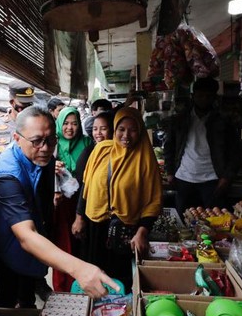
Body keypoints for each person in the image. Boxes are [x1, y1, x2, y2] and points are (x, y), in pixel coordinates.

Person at [0, 105, 118, 309]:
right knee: (7, 301)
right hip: (8, 242)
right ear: (17, 138)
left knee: (27, 293)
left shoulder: (43, 159)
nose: (45, 148)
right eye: (36, 141)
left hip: (35, 235)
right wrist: (78, 268)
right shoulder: (7, 176)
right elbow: (26, 236)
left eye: (50, 140)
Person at [72, 107, 162, 290]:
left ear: (140, 131)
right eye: (121, 129)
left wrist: (142, 232)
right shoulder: (101, 150)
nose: (126, 135)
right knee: (94, 276)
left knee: (120, 281)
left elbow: (153, 200)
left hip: (125, 229)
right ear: (115, 130)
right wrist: (79, 217)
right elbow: (86, 185)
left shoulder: (145, 158)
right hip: (95, 226)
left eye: (133, 129)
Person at [163, 77, 241, 215]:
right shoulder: (180, 120)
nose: (204, 99)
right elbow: (169, 147)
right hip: (183, 178)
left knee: (215, 221)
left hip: (212, 180)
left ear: (214, 97)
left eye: (208, 96)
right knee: (182, 221)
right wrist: (169, 172)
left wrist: (226, 177)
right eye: (200, 95)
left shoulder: (223, 121)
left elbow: (235, 152)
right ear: (193, 96)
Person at [51, 106, 92, 292]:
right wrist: (52, 166)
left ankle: (84, 284)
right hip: (61, 205)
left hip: (84, 202)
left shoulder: (87, 143)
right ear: (59, 124)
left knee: (83, 243)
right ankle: (63, 287)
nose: (70, 127)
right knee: (62, 244)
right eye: (65, 123)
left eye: (74, 123)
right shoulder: (53, 144)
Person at [0, 80, 36, 193]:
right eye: (22, 106)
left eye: (29, 105)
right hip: (3, 189)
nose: (26, 110)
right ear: (12, 102)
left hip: (31, 188)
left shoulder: (37, 124)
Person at [72, 112, 113, 262]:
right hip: (92, 214)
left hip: (112, 216)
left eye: (103, 129)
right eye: (95, 129)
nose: (98, 133)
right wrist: (79, 216)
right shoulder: (89, 152)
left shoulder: (118, 152)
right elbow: (85, 187)